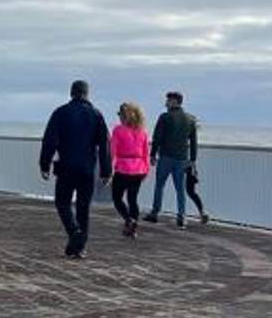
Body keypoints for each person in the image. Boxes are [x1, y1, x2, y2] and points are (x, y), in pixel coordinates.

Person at [39, 80, 111, 259]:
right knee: (83, 207)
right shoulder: (96, 115)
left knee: (62, 203)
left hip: (66, 167)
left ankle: (74, 232)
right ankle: (78, 247)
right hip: (87, 168)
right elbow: (104, 145)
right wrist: (106, 171)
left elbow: (50, 140)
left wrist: (44, 164)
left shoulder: (60, 113)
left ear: (71, 93)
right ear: (87, 94)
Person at [146, 91, 198, 229]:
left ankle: (155, 212)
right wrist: (193, 159)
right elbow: (193, 142)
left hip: (166, 157)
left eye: (168, 100)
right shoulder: (190, 119)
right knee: (180, 189)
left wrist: (152, 154)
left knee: (159, 185)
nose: (166, 103)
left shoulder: (165, 117)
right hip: (182, 159)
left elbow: (157, 137)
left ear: (174, 101)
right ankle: (182, 216)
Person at [110, 102, 151, 238]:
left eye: (120, 114)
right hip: (139, 169)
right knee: (133, 199)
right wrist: (146, 170)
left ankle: (129, 219)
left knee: (117, 198)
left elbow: (113, 152)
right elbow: (146, 153)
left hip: (123, 167)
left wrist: (110, 169)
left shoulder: (118, 130)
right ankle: (133, 228)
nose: (119, 117)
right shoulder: (142, 132)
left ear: (125, 115)